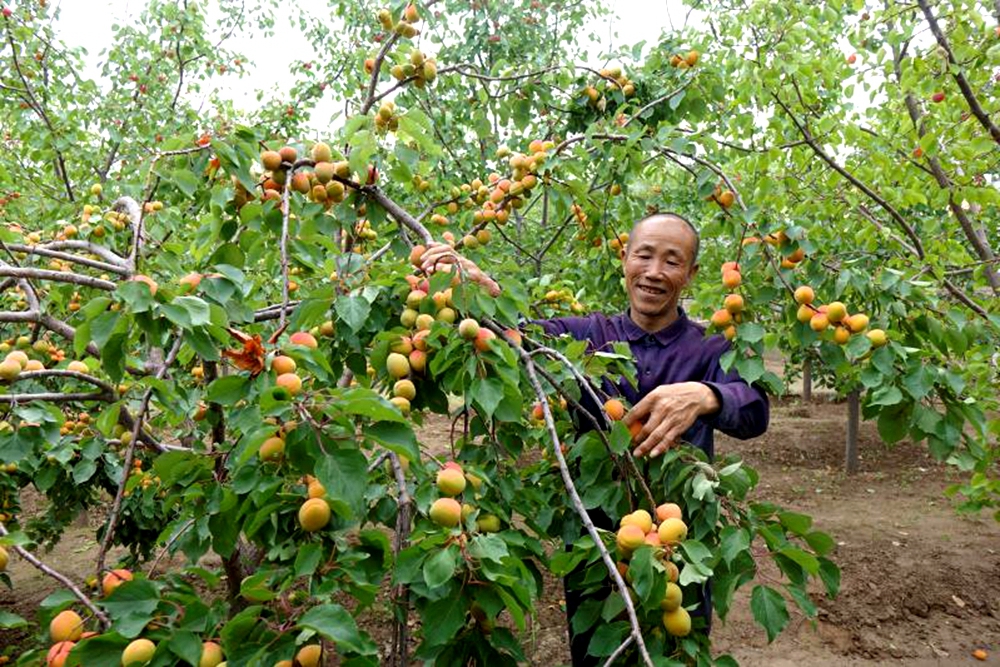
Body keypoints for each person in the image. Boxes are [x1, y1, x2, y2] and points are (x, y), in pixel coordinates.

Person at [419, 212, 769, 665]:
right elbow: (516, 336)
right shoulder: (582, 336)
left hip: (676, 541)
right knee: (596, 654)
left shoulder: (711, 348)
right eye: (643, 255)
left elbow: (755, 408)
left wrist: (709, 394)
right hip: (595, 539)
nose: (654, 272)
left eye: (672, 261)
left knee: (677, 648)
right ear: (624, 257)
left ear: (691, 274)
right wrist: (481, 292)